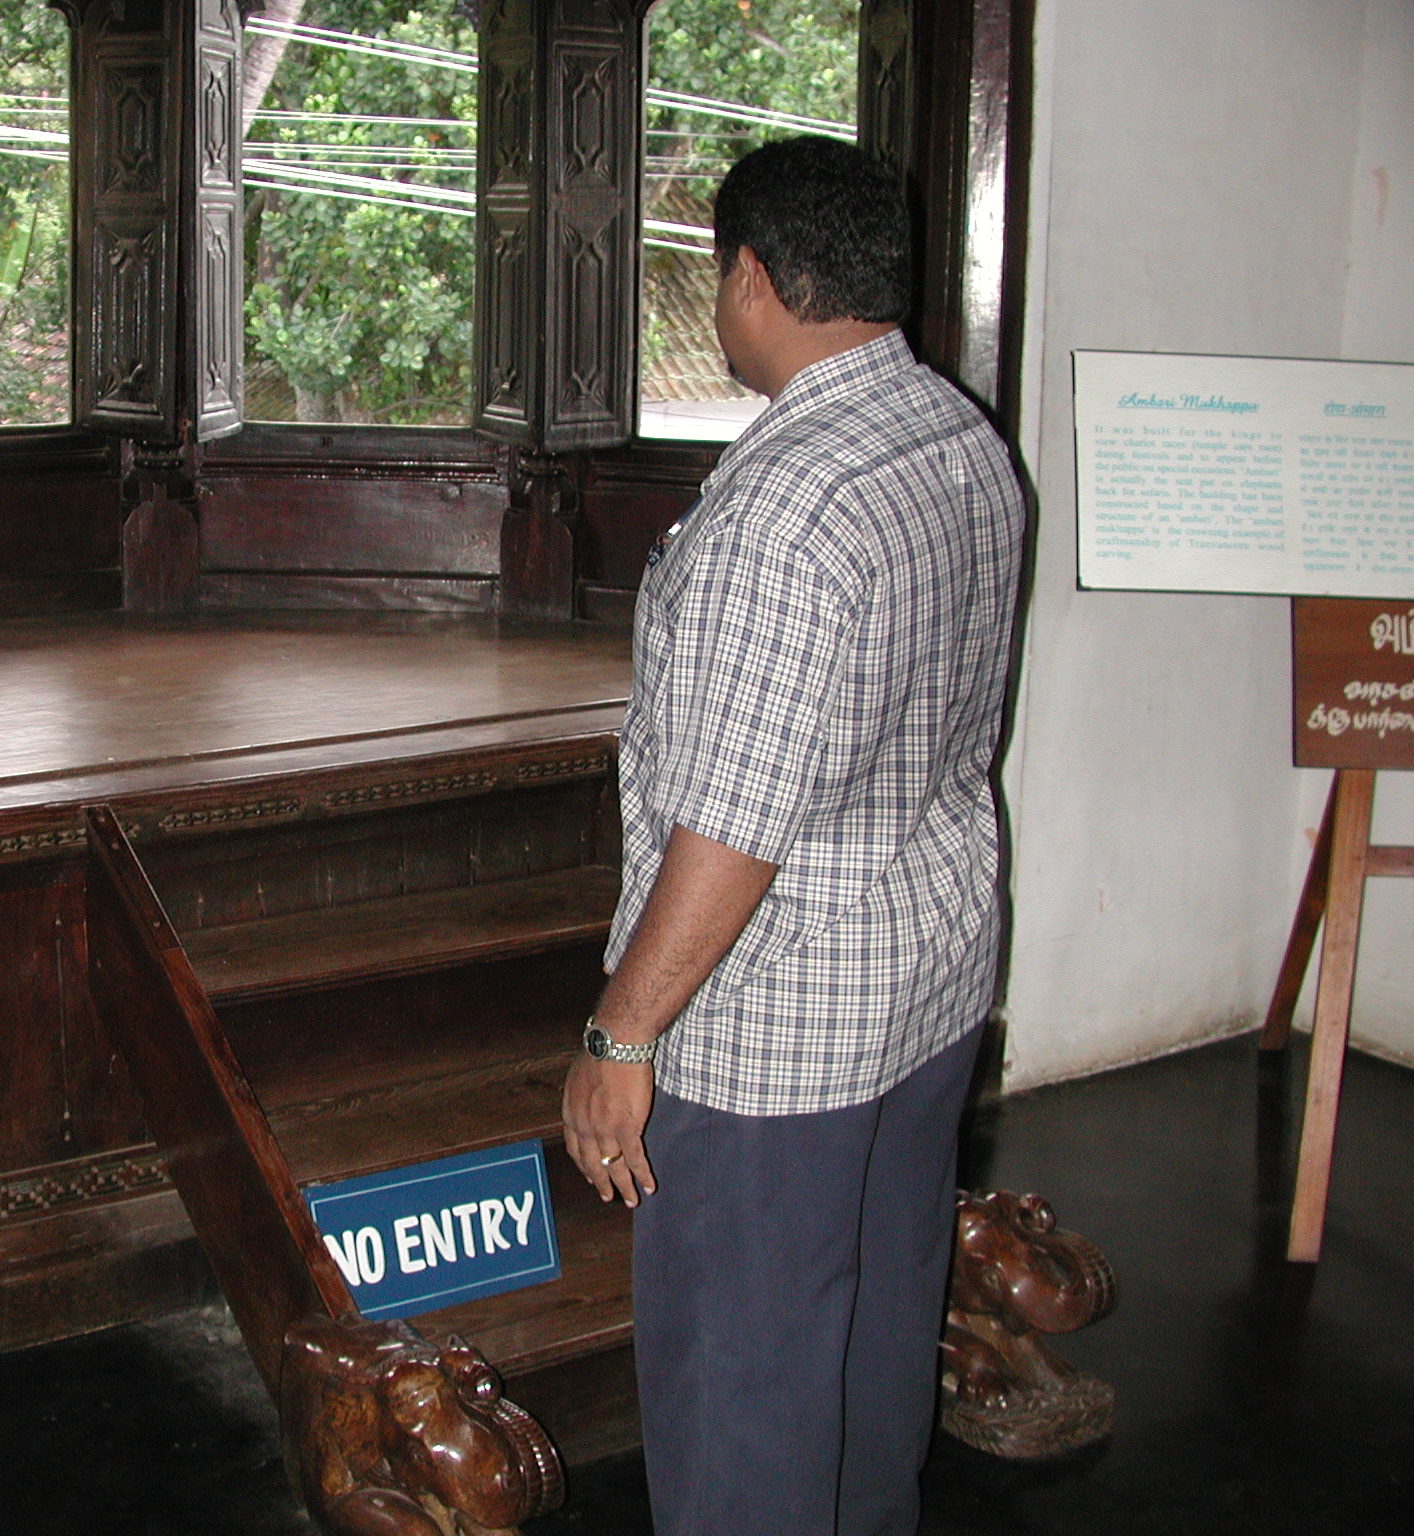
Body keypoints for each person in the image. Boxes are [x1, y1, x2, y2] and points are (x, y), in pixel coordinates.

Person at [560, 136, 1024, 1535]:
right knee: (875, 1337)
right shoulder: (958, 439)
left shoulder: (785, 511)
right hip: (925, 981)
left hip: (776, 1029)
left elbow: (733, 827)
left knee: (743, 1388)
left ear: (753, 278)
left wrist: (620, 1039)